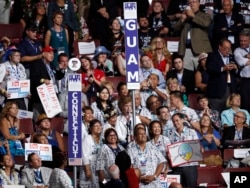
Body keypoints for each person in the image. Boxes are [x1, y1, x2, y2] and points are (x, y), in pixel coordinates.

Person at [173, 0, 212, 71]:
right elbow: (175, 29)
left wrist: (193, 16)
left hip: (201, 49)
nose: (191, 4)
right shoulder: (185, 16)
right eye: (190, 2)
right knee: (188, 75)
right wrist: (182, 19)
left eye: (194, 2)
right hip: (186, 50)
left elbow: (206, 23)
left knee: (202, 73)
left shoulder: (205, 15)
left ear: (198, 3)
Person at [29, 45, 65, 121]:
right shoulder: (37, 64)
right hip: (40, 97)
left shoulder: (51, 65)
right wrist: (43, 80)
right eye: (49, 53)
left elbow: (56, 77)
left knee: (50, 120)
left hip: (51, 96)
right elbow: (34, 79)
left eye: (53, 53)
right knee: (39, 119)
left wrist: (61, 70)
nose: (52, 55)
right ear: (44, 54)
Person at [206, 38, 238, 112]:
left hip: (230, 89)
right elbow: (209, 69)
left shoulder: (231, 57)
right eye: (225, 48)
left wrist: (236, 68)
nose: (227, 50)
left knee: (229, 112)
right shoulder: (212, 56)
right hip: (217, 90)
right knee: (216, 113)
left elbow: (237, 73)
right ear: (220, 47)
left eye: (229, 49)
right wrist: (222, 68)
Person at [169, 113, 199, 188]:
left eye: (177, 120)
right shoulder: (170, 134)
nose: (175, 123)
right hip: (177, 166)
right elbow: (170, 149)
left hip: (190, 165)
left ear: (182, 120)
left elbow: (196, 147)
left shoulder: (191, 132)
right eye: (173, 121)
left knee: (191, 186)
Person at [80, 119, 103, 187]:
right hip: (89, 167)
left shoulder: (102, 139)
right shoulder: (87, 138)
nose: (98, 127)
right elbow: (84, 155)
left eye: (99, 125)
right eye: (96, 126)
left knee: (101, 184)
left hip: (99, 168)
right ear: (90, 128)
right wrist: (87, 170)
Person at [234, 30, 250, 112]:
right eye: (241, 41)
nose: (242, 43)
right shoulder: (237, 51)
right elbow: (241, 62)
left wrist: (247, 56)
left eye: (245, 41)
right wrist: (246, 58)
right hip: (246, 81)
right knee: (246, 102)